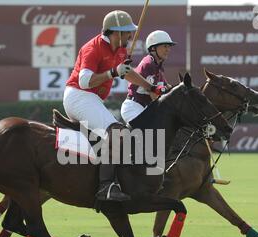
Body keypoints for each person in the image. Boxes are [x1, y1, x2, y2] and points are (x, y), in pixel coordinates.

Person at [63, 10, 164, 202]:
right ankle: (106, 187)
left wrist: (150, 86)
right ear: (116, 32)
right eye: (128, 32)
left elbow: (126, 73)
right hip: (79, 96)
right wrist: (112, 72)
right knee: (117, 133)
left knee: (118, 134)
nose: (131, 36)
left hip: (91, 99)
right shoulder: (93, 48)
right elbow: (85, 81)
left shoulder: (120, 50)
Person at [121, 30, 176, 124]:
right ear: (153, 48)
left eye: (169, 46)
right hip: (134, 107)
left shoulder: (158, 67)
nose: (168, 49)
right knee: (149, 135)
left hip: (144, 107)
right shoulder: (149, 64)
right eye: (165, 46)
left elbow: (168, 88)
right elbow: (154, 95)